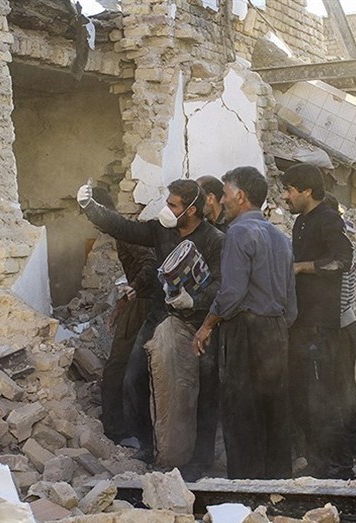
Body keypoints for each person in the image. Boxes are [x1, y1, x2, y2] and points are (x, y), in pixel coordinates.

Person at [77, 179, 223, 474]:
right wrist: (91, 208)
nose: (166, 209)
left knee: (202, 390)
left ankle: (200, 458)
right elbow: (124, 229)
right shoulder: (161, 230)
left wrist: (194, 300)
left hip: (198, 324)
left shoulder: (214, 240)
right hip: (160, 316)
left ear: (191, 210)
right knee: (135, 378)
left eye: (173, 205)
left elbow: (222, 284)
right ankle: (148, 444)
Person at [192, 166, 297, 480]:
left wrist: (207, 325)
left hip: (246, 331)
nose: (222, 201)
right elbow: (292, 304)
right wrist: (275, 329)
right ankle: (277, 486)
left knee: (241, 412)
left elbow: (231, 293)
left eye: (225, 195)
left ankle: (245, 488)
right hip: (276, 330)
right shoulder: (281, 238)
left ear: (240, 196)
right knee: (274, 410)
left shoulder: (238, 233)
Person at [280, 163, 356, 479]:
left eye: (289, 190)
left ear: (307, 191)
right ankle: (321, 460)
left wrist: (301, 267)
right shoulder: (302, 221)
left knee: (329, 397)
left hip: (327, 328)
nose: (285, 196)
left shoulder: (327, 219)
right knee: (310, 396)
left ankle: (339, 466)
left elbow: (342, 260)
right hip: (307, 324)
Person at [89, 187, 158, 446]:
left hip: (144, 304)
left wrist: (134, 289)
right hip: (140, 302)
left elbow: (150, 264)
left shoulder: (125, 233)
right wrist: (123, 302)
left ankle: (117, 430)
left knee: (118, 367)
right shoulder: (123, 232)